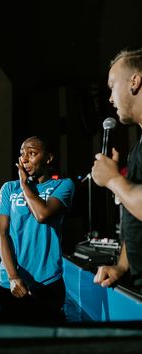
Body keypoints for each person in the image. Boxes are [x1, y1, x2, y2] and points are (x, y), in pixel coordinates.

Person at [0, 136, 75, 324]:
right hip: (11, 284)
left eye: (32, 153)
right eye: (22, 154)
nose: (25, 159)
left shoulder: (63, 185)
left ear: (48, 159)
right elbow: (2, 234)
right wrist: (13, 276)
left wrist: (25, 185)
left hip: (48, 283)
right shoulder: (8, 189)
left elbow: (42, 214)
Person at [91, 47, 142, 292]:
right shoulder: (136, 149)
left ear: (135, 81)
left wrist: (113, 180)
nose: (110, 98)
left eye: (112, 86)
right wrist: (122, 267)